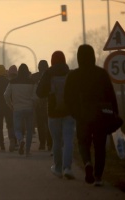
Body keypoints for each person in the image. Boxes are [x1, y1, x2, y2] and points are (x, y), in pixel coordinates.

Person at [64, 44, 119, 186]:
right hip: (100, 115)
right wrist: (115, 113)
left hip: (82, 115)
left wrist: (74, 112)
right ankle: (98, 177)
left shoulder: (73, 75)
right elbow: (111, 95)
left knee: (83, 142)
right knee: (100, 145)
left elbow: (67, 97)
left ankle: (87, 163)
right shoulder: (101, 74)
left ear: (78, 57)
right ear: (93, 56)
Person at [36, 51, 76, 179]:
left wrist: (49, 93)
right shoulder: (70, 73)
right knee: (68, 139)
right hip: (69, 112)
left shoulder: (48, 73)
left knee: (57, 141)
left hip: (53, 112)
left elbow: (39, 92)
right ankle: (68, 168)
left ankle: (58, 168)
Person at [4, 63, 36, 156]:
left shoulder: (13, 82)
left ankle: (21, 140)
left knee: (17, 129)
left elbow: (6, 95)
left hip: (17, 109)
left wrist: (10, 104)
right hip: (29, 108)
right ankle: (27, 151)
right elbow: (35, 96)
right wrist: (33, 105)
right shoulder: (32, 82)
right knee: (29, 130)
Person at [31, 60, 52, 151]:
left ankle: (42, 144)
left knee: (40, 125)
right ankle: (50, 144)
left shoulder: (34, 77)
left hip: (38, 103)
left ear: (39, 67)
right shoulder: (50, 76)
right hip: (48, 103)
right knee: (49, 124)